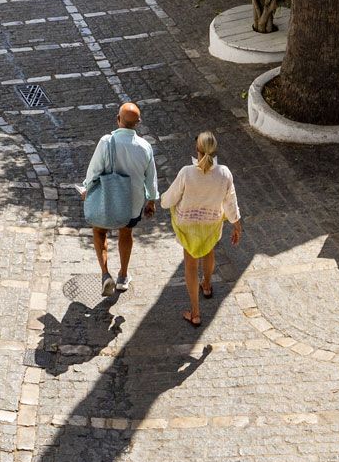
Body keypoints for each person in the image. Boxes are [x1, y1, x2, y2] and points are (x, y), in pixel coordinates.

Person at [160, 131, 243, 326]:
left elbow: (169, 200)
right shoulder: (224, 173)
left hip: (188, 225)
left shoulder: (187, 172)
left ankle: (195, 312)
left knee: (190, 264)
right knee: (209, 252)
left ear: (197, 149)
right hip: (211, 223)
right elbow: (231, 202)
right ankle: (206, 285)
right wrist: (237, 225)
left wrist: (162, 201)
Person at [81, 102, 158, 299]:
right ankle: (123, 276)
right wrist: (151, 201)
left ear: (118, 120)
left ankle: (105, 274)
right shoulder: (145, 147)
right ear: (138, 123)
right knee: (126, 233)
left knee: (99, 232)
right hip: (131, 205)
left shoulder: (106, 142)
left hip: (107, 201)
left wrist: (86, 188)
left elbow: (94, 171)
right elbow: (150, 178)